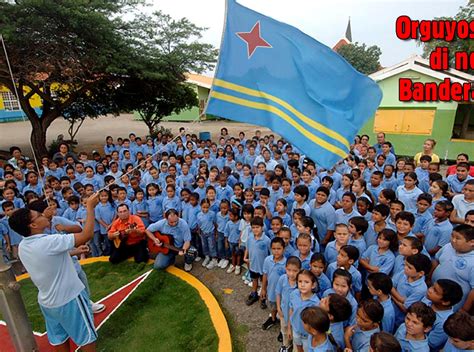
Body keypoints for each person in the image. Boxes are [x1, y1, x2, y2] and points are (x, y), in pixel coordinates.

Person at [8, 193, 99, 351]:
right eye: (39, 215)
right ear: (33, 225)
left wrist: (74, 252)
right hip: (70, 299)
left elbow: (49, 258)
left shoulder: (24, 246)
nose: (45, 214)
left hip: (48, 303)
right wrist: (90, 207)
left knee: (59, 340)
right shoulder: (49, 241)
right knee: (86, 338)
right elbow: (86, 234)